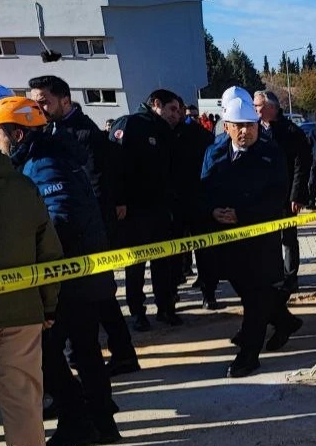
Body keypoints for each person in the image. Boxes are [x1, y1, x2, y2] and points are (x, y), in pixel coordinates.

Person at [0, 96, 122, 446]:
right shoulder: (48, 156)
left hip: (69, 280)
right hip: (80, 277)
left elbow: (59, 221)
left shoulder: (44, 165)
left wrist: (28, 251)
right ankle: (101, 422)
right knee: (84, 350)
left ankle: (76, 420)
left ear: (18, 134)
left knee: (46, 353)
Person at [27, 74, 139, 375]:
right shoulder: (52, 131)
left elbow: (95, 183)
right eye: (34, 102)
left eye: (44, 102)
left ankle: (117, 354)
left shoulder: (81, 134)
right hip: (81, 231)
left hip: (87, 232)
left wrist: (92, 229)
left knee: (97, 297)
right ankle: (110, 353)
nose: (38, 108)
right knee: (96, 298)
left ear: (64, 100)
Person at [199, 94, 302, 378]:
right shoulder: (214, 152)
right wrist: (212, 211)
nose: (246, 131)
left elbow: (277, 196)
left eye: (251, 125)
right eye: (239, 126)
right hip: (226, 239)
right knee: (245, 288)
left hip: (260, 238)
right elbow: (204, 189)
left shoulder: (270, 153)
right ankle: (284, 320)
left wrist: (242, 214)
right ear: (227, 126)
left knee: (256, 296)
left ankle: (249, 355)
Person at [0, 145, 62, 446]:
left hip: (18, 310)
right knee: (23, 401)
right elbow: (49, 250)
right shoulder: (22, 185)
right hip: (22, 311)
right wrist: (48, 303)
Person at [109, 89, 183, 330]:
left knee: (163, 262)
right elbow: (114, 165)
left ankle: (165, 307)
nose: (176, 114)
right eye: (172, 109)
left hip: (160, 208)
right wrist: (119, 200)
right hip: (135, 210)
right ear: (156, 103)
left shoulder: (166, 131)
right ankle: (137, 312)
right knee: (136, 265)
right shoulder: (130, 124)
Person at [253, 91, 311, 293]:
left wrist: (297, 195)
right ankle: (272, 275)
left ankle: (290, 277)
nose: (255, 110)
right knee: (267, 240)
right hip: (263, 197)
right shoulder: (254, 129)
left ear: (271, 107)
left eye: (258, 106)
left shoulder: (292, 132)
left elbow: (302, 165)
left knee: (288, 239)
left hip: (286, 197)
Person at [171, 102, 221, 310]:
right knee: (173, 253)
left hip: (198, 201)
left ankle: (209, 293)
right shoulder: (163, 134)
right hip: (172, 204)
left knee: (205, 251)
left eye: (177, 110)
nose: (174, 114)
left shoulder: (201, 136)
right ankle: (170, 295)